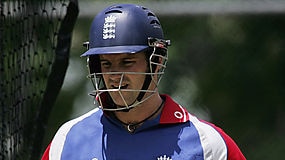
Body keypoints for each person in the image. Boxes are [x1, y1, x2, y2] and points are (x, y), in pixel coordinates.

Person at [41, 3, 246, 160]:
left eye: (127, 62)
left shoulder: (206, 142)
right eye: (106, 64)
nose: (114, 75)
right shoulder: (68, 139)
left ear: (156, 62)